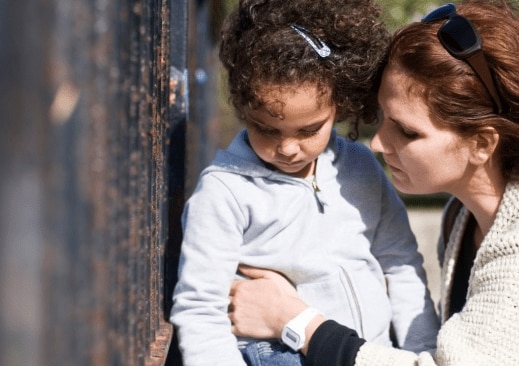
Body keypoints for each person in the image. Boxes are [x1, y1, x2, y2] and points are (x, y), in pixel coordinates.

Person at [227, 0, 519, 365]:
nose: (377, 142)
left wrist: (295, 321)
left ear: (482, 143)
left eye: (407, 132)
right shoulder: (465, 216)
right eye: (383, 118)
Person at [169, 0, 440, 365]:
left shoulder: (360, 166)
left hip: (367, 353)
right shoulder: (224, 191)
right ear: (242, 107)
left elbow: (401, 264)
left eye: (309, 130)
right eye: (266, 128)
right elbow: (201, 309)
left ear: (338, 107)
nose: (288, 148)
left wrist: (420, 352)